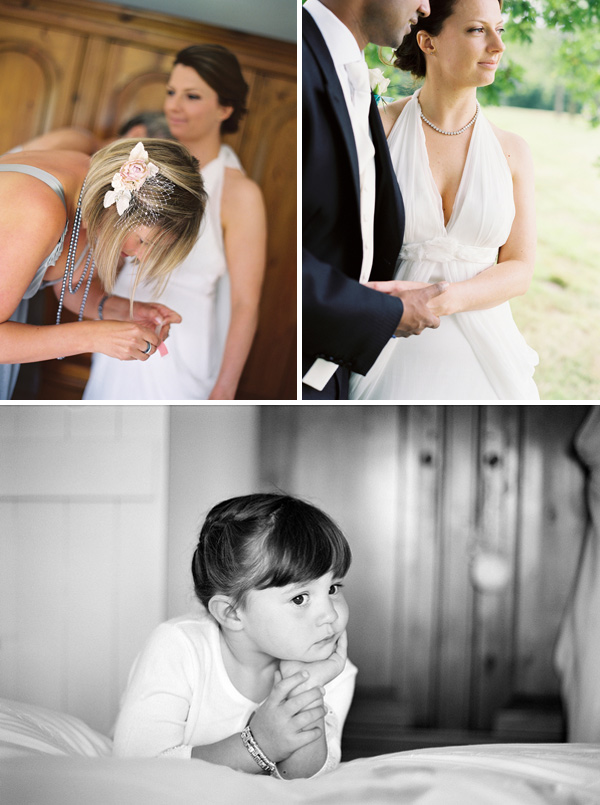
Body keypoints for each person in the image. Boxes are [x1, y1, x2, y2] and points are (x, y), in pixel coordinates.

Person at [350, 0, 539, 400]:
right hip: (388, 351)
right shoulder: (375, 134)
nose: (497, 46)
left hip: (489, 358)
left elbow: (520, 268)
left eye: (499, 29)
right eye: (477, 30)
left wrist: (446, 299)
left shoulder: (513, 151)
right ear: (427, 41)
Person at [113, 493, 356, 780]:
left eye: (333, 588)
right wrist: (259, 744)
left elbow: (303, 781)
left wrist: (304, 686)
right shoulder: (179, 647)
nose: (330, 614)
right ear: (232, 613)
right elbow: (135, 767)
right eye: (301, 598)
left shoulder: (329, 669)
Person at [84, 44, 266, 400]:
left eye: (192, 96)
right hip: (120, 323)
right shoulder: (139, 166)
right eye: (171, 92)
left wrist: (224, 390)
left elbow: (246, 304)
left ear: (224, 108)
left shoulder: (239, 194)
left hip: (183, 346)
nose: (173, 106)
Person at [302, 0, 448, 401]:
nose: (425, 6)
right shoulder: (299, 63)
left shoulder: (347, 70)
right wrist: (383, 313)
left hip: (337, 365)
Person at [0, 138, 207, 400]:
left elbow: (71, 284)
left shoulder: (88, 185)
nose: (140, 257)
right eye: (144, 242)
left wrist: (124, 311)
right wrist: (93, 337)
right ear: (121, 205)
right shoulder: (39, 211)